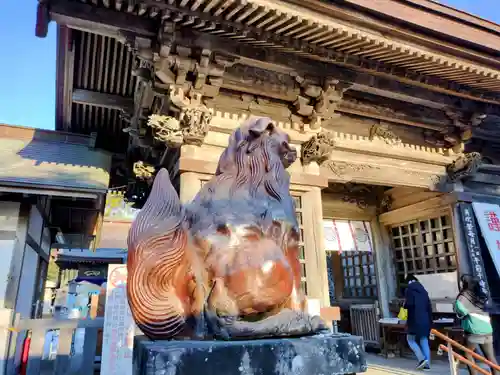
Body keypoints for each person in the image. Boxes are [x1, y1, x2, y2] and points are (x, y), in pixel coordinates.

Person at [454, 274, 499, 375]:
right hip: (487, 329)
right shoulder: (480, 294)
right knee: (490, 357)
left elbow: (459, 307)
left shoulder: (465, 295)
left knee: (467, 353)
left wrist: (466, 312)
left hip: (474, 330)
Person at [404, 274, 433, 371]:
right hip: (425, 321)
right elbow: (429, 307)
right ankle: (427, 365)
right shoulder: (424, 291)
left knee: (410, 339)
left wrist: (404, 305)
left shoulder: (409, 290)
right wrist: (430, 322)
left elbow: (409, 305)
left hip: (414, 320)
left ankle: (422, 359)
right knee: (424, 340)